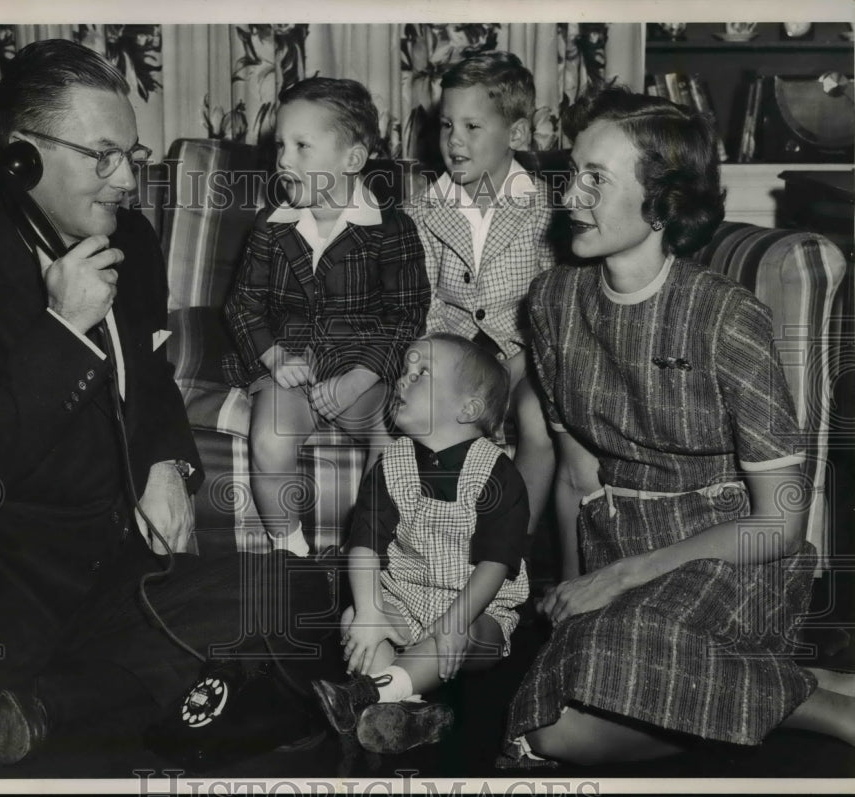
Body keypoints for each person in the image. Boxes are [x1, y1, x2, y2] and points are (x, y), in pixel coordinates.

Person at [0, 39, 240, 771]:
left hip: (126, 573)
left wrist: (167, 460)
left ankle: (60, 705)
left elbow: (152, 372)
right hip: (8, 595)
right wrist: (61, 332)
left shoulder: (131, 240)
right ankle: (106, 694)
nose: (126, 182)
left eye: (131, 156)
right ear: (21, 158)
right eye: (102, 156)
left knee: (307, 593)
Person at [501, 85, 855, 767]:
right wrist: (578, 600)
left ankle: (824, 711)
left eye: (596, 179)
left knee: (567, 714)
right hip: (618, 547)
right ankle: (815, 689)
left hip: (729, 555)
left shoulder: (728, 318)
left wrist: (628, 576)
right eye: (572, 173)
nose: (570, 195)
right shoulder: (553, 301)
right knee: (559, 703)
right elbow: (578, 475)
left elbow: (778, 521)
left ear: (662, 199)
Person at [224, 77, 430, 558]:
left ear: (352, 161)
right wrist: (275, 358)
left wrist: (361, 377)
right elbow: (241, 306)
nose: (283, 160)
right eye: (281, 145)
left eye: (301, 146)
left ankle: (370, 549)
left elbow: (406, 315)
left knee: (393, 441)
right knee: (271, 438)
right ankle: (290, 550)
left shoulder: (392, 228)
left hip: (361, 364)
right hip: (289, 363)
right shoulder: (270, 227)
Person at [311, 333, 530, 754]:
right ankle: (404, 713)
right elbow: (364, 547)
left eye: (422, 373)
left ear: (468, 409)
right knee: (358, 621)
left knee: (460, 635)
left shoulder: (497, 474)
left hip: (477, 607)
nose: (403, 380)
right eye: (406, 372)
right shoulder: (390, 465)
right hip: (407, 598)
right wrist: (372, 611)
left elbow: (495, 564)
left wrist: (454, 622)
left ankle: (366, 696)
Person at [403, 51, 557, 536]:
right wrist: (438, 362)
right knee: (429, 414)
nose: (454, 141)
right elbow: (422, 304)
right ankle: (432, 545)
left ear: (515, 134)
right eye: (447, 126)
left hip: (522, 355)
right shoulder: (423, 210)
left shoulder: (546, 209)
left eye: (472, 127)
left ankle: (513, 546)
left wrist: (521, 362)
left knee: (536, 417)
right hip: (453, 354)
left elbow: (554, 303)